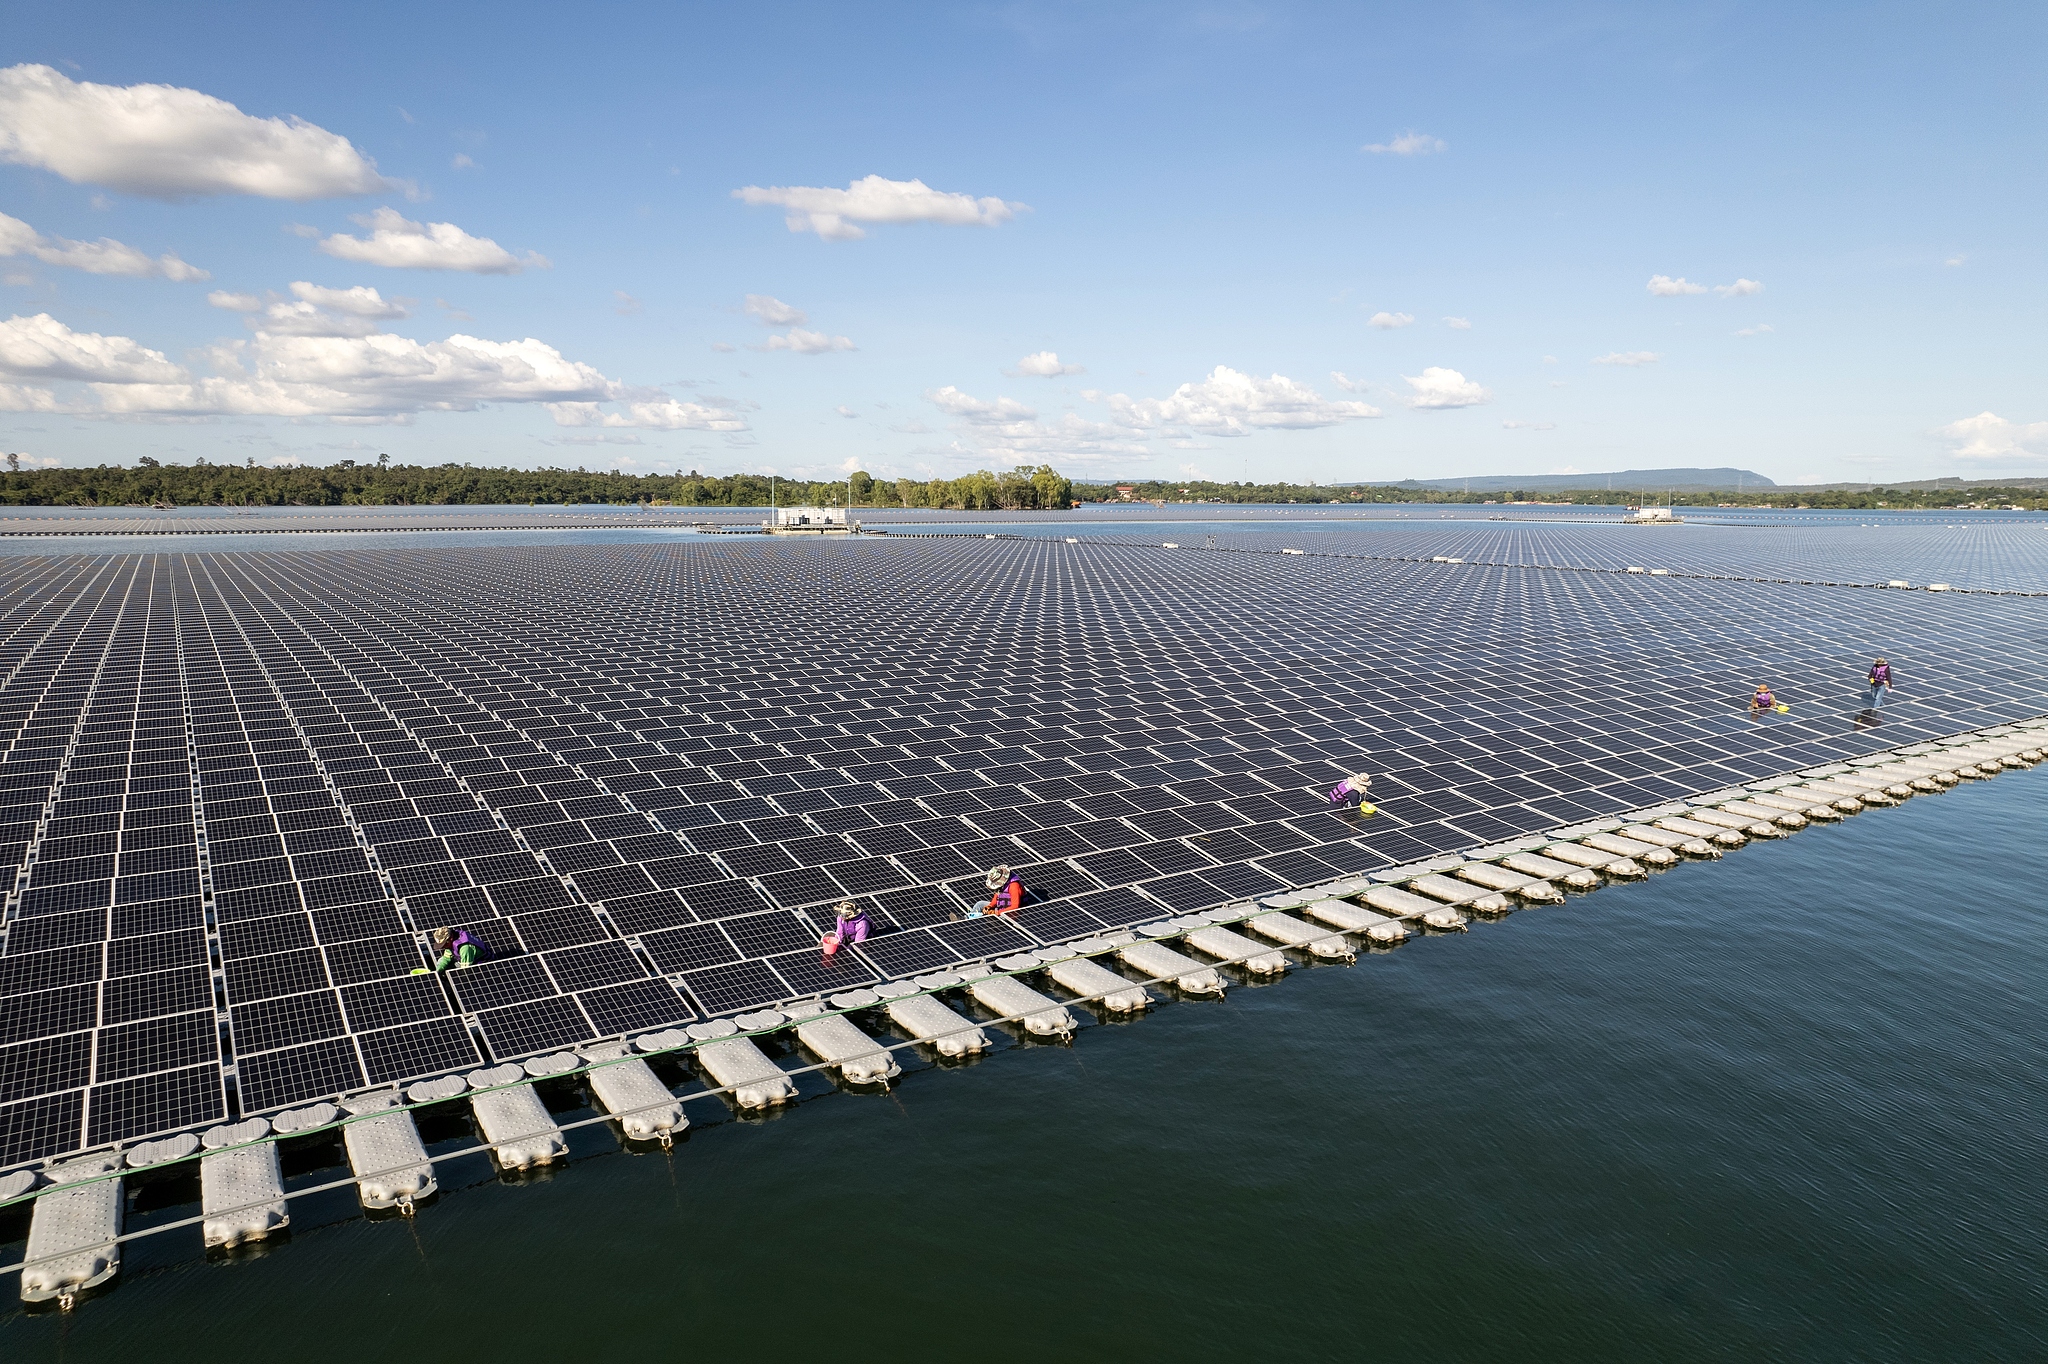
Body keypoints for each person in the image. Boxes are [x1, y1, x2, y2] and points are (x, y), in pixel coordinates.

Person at [415, 926, 488, 974]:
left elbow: (466, 970)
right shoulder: (452, 940)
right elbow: (446, 958)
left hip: (479, 965)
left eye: (444, 945)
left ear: (450, 939)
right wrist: (437, 972)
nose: (443, 947)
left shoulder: (465, 948)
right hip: (464, 959)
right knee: (441, 961)